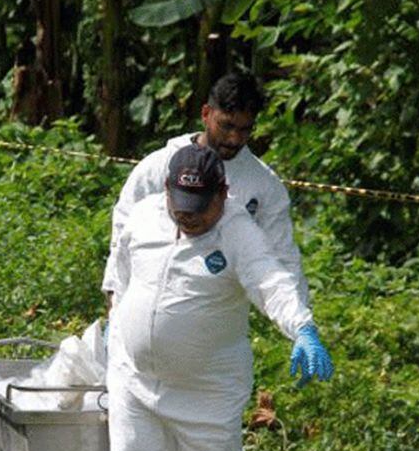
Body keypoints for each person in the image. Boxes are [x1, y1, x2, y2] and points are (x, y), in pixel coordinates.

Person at [104, 145, 334, 451]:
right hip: (134, 381)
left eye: (199, 207)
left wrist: (302, 326)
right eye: (180, 204)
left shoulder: (239, 231)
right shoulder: (143, 216)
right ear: (167, 190)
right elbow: (120, 271)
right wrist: (117, 318)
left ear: (223, 193)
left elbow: (270, 280)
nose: (188, 216)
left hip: (207, 393)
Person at [103, 73, 310, 307]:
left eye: (244, 129)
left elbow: (283, 256)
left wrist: (301, 323)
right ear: (206, 114)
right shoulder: (160, 166)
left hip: (216, 312)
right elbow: (123, 230)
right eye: (226, 125)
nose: (234, 138)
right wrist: (115, 298)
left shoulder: (263, 185)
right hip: (148, 299)